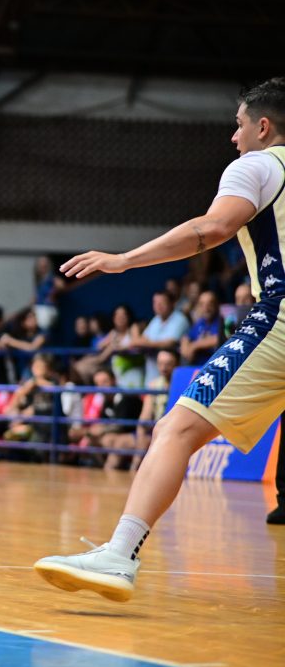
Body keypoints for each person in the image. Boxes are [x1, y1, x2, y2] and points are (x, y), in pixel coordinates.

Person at [35, 78, 285, 602]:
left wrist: (125, 260)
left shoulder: (257, 165)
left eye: (239, 125)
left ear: (263, 127)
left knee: (175, 429)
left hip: (279, 318)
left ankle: (119, 555)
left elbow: (213, 229)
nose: (234, 137)